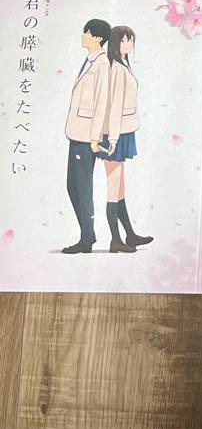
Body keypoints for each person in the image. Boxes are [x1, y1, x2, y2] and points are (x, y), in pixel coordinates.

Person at [99, 25, 152, 253]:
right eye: (124, 41)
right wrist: (112, 139)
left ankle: (129, 235)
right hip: (116, 134)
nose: (128, 45)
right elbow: (114, 106)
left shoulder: (122, 65)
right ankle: (115, 239)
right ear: (115, 43)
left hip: (122, 131)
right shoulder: (117, 69)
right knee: (114, 189)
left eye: (130, 40)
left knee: (119, 189)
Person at [62, 19, 112, 253]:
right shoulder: (89, 61)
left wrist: (95, 138)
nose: (83, 35)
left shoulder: (102, 64)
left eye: (87, 32)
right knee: (73, 185)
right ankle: (87, 235)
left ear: (98, 38)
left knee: (82, 187)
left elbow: (102, 103)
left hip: (86, 136)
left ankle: (86, 239)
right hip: (77, 132)